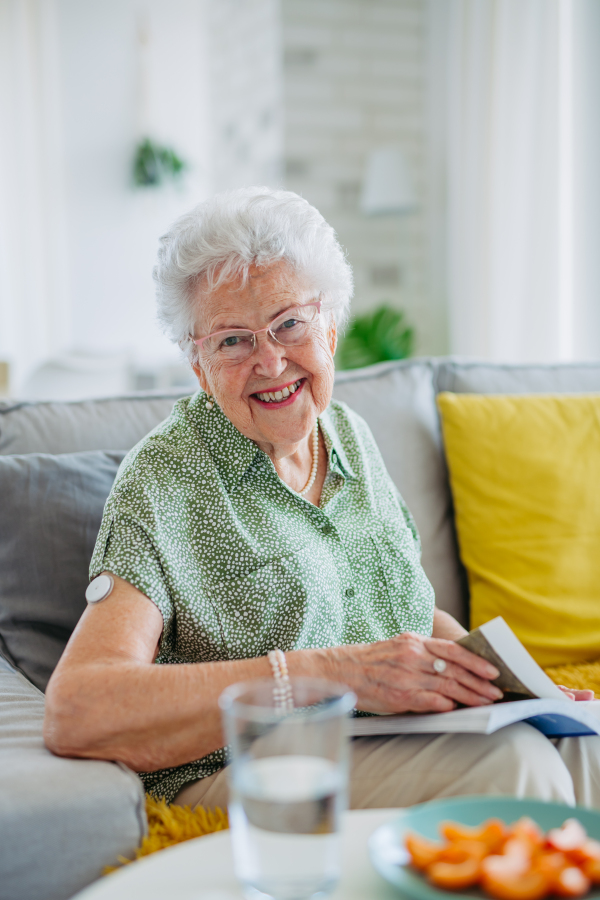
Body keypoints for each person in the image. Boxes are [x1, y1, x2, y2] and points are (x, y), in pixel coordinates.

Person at [44, 187, 598, 810]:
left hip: (383, 734)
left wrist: (515, 689)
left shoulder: (351, 438)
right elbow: (78, 709)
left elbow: (409, 619)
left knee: (584, 748)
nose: (271, 361)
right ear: (198, 365)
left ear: (330, 329)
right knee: (514, 768)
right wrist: (324, 673)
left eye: (289, 325)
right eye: (232, 340)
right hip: (247, 760)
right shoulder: (166, 478)